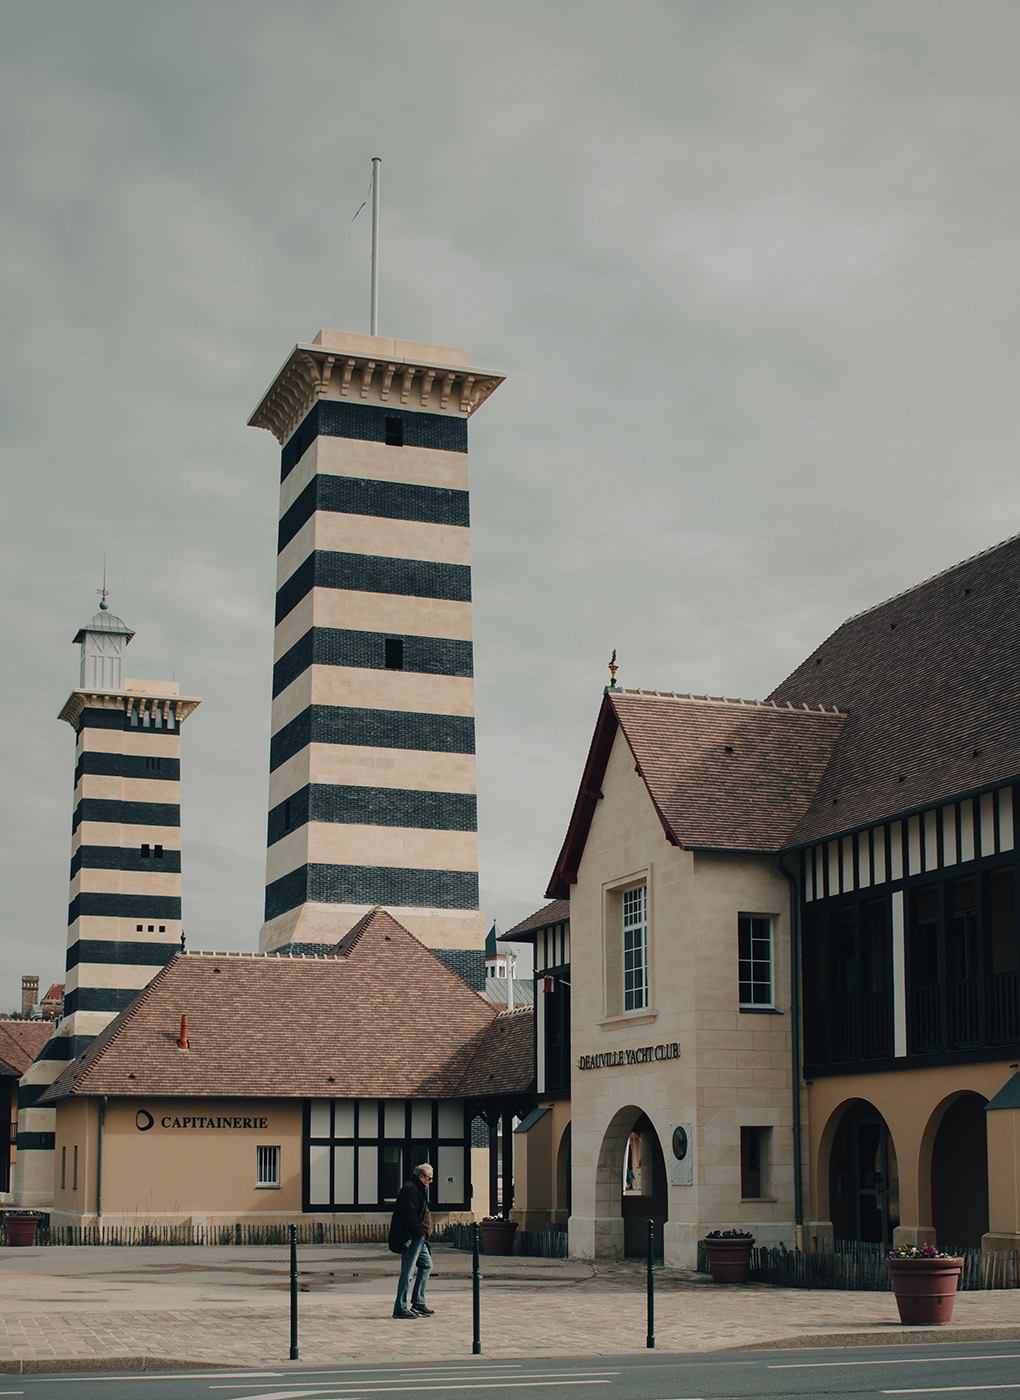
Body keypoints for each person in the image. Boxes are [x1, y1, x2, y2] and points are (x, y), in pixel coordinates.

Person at [389, 1162, 435, 1318]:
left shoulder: (418, 1189)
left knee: (427, 1265)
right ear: (421, 1177)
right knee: (408, 1272)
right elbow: (409, 1215)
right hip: (411, 1237)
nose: (431, 1181)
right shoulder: (410, 1189)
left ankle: (418, 1302)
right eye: (429, 1178)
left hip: (419, 1237)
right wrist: (419, 1233)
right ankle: (400, 1308)